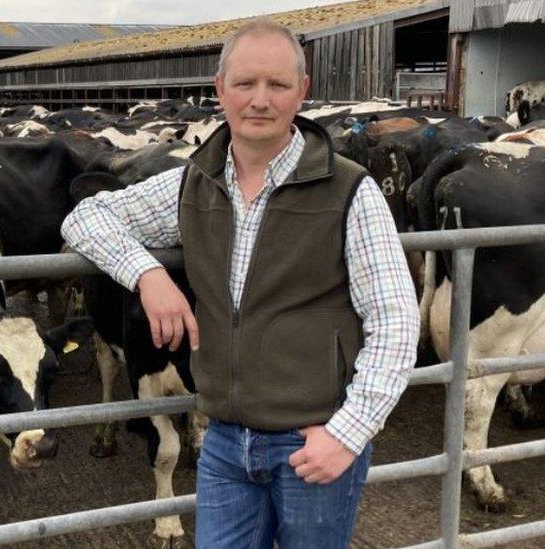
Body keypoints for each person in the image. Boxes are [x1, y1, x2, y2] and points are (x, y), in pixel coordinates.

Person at [61, 19, 418, 549]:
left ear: (303, 91)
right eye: (245, 84)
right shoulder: (194, 181)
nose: (260, 100)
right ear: (219, 89)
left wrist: (348, 432)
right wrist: (147, 273)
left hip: (311, 441)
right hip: (224, 440)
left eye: (277, 85)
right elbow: (85, 218)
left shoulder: (349, 190)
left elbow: (395, 319)